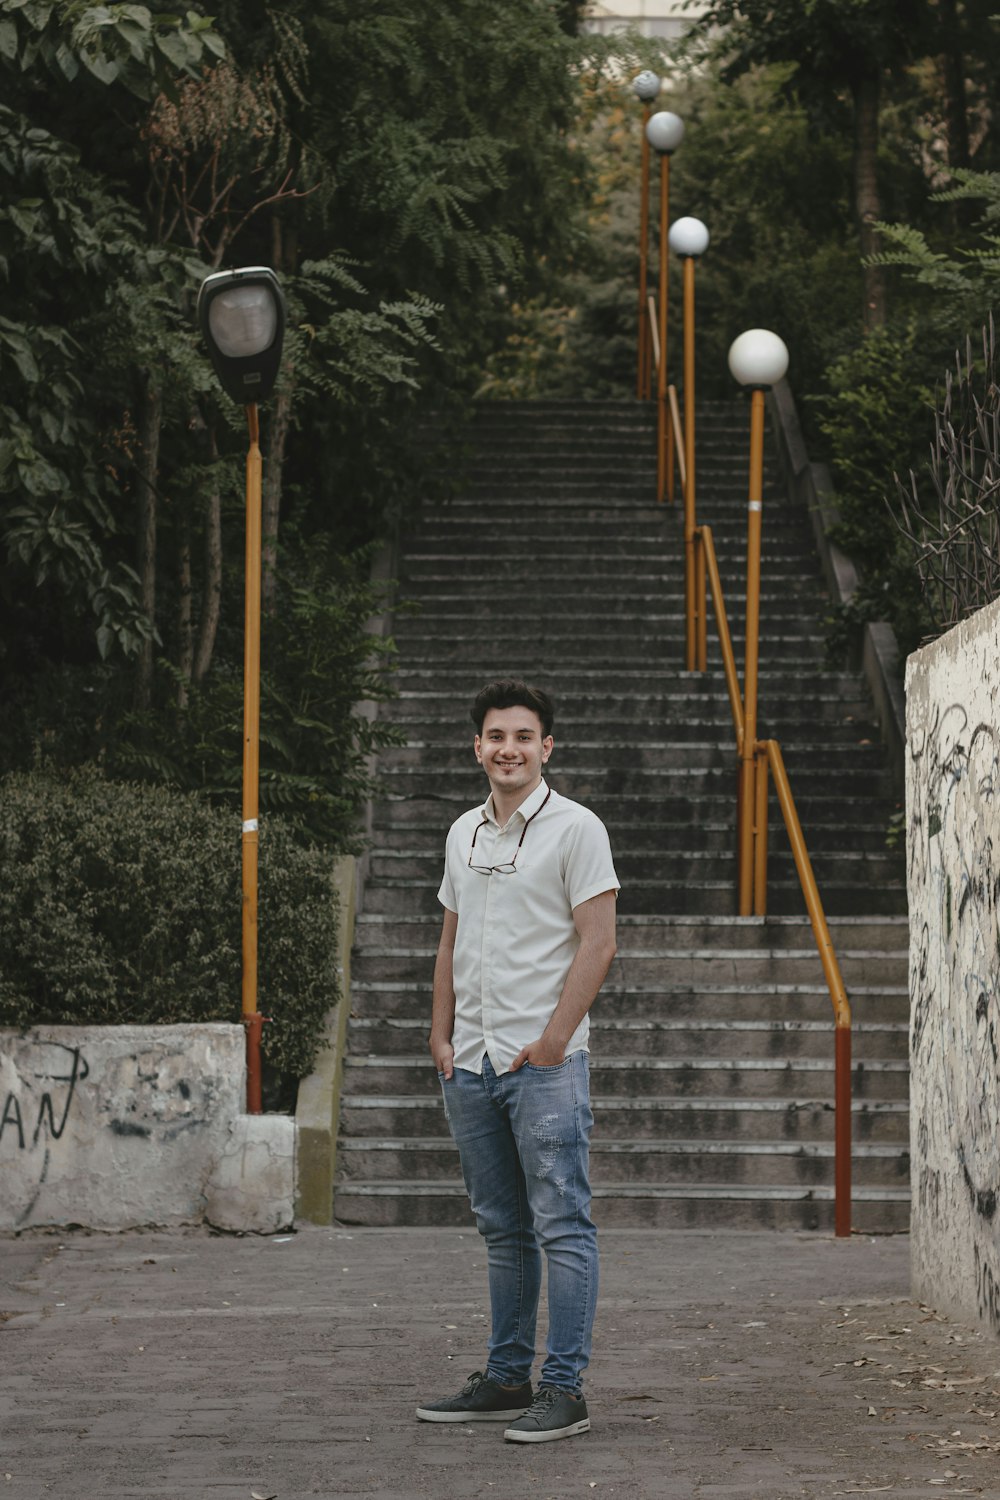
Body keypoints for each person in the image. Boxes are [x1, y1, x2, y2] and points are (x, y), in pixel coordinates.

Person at [416, 679, 619, 1444]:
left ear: (546, 747)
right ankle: (506, 1380)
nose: (509, 748)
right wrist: (441, 1036)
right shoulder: (463, 831)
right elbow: (450, 940)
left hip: (544, 1062)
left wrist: (556, 1041)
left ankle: (564, 1389)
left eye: (523, 736)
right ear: (478, 747)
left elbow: (598, 943)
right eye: (496, 736)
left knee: (562, 1223)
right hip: (469, 1059)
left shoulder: (577, 829)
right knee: (501, 1228)